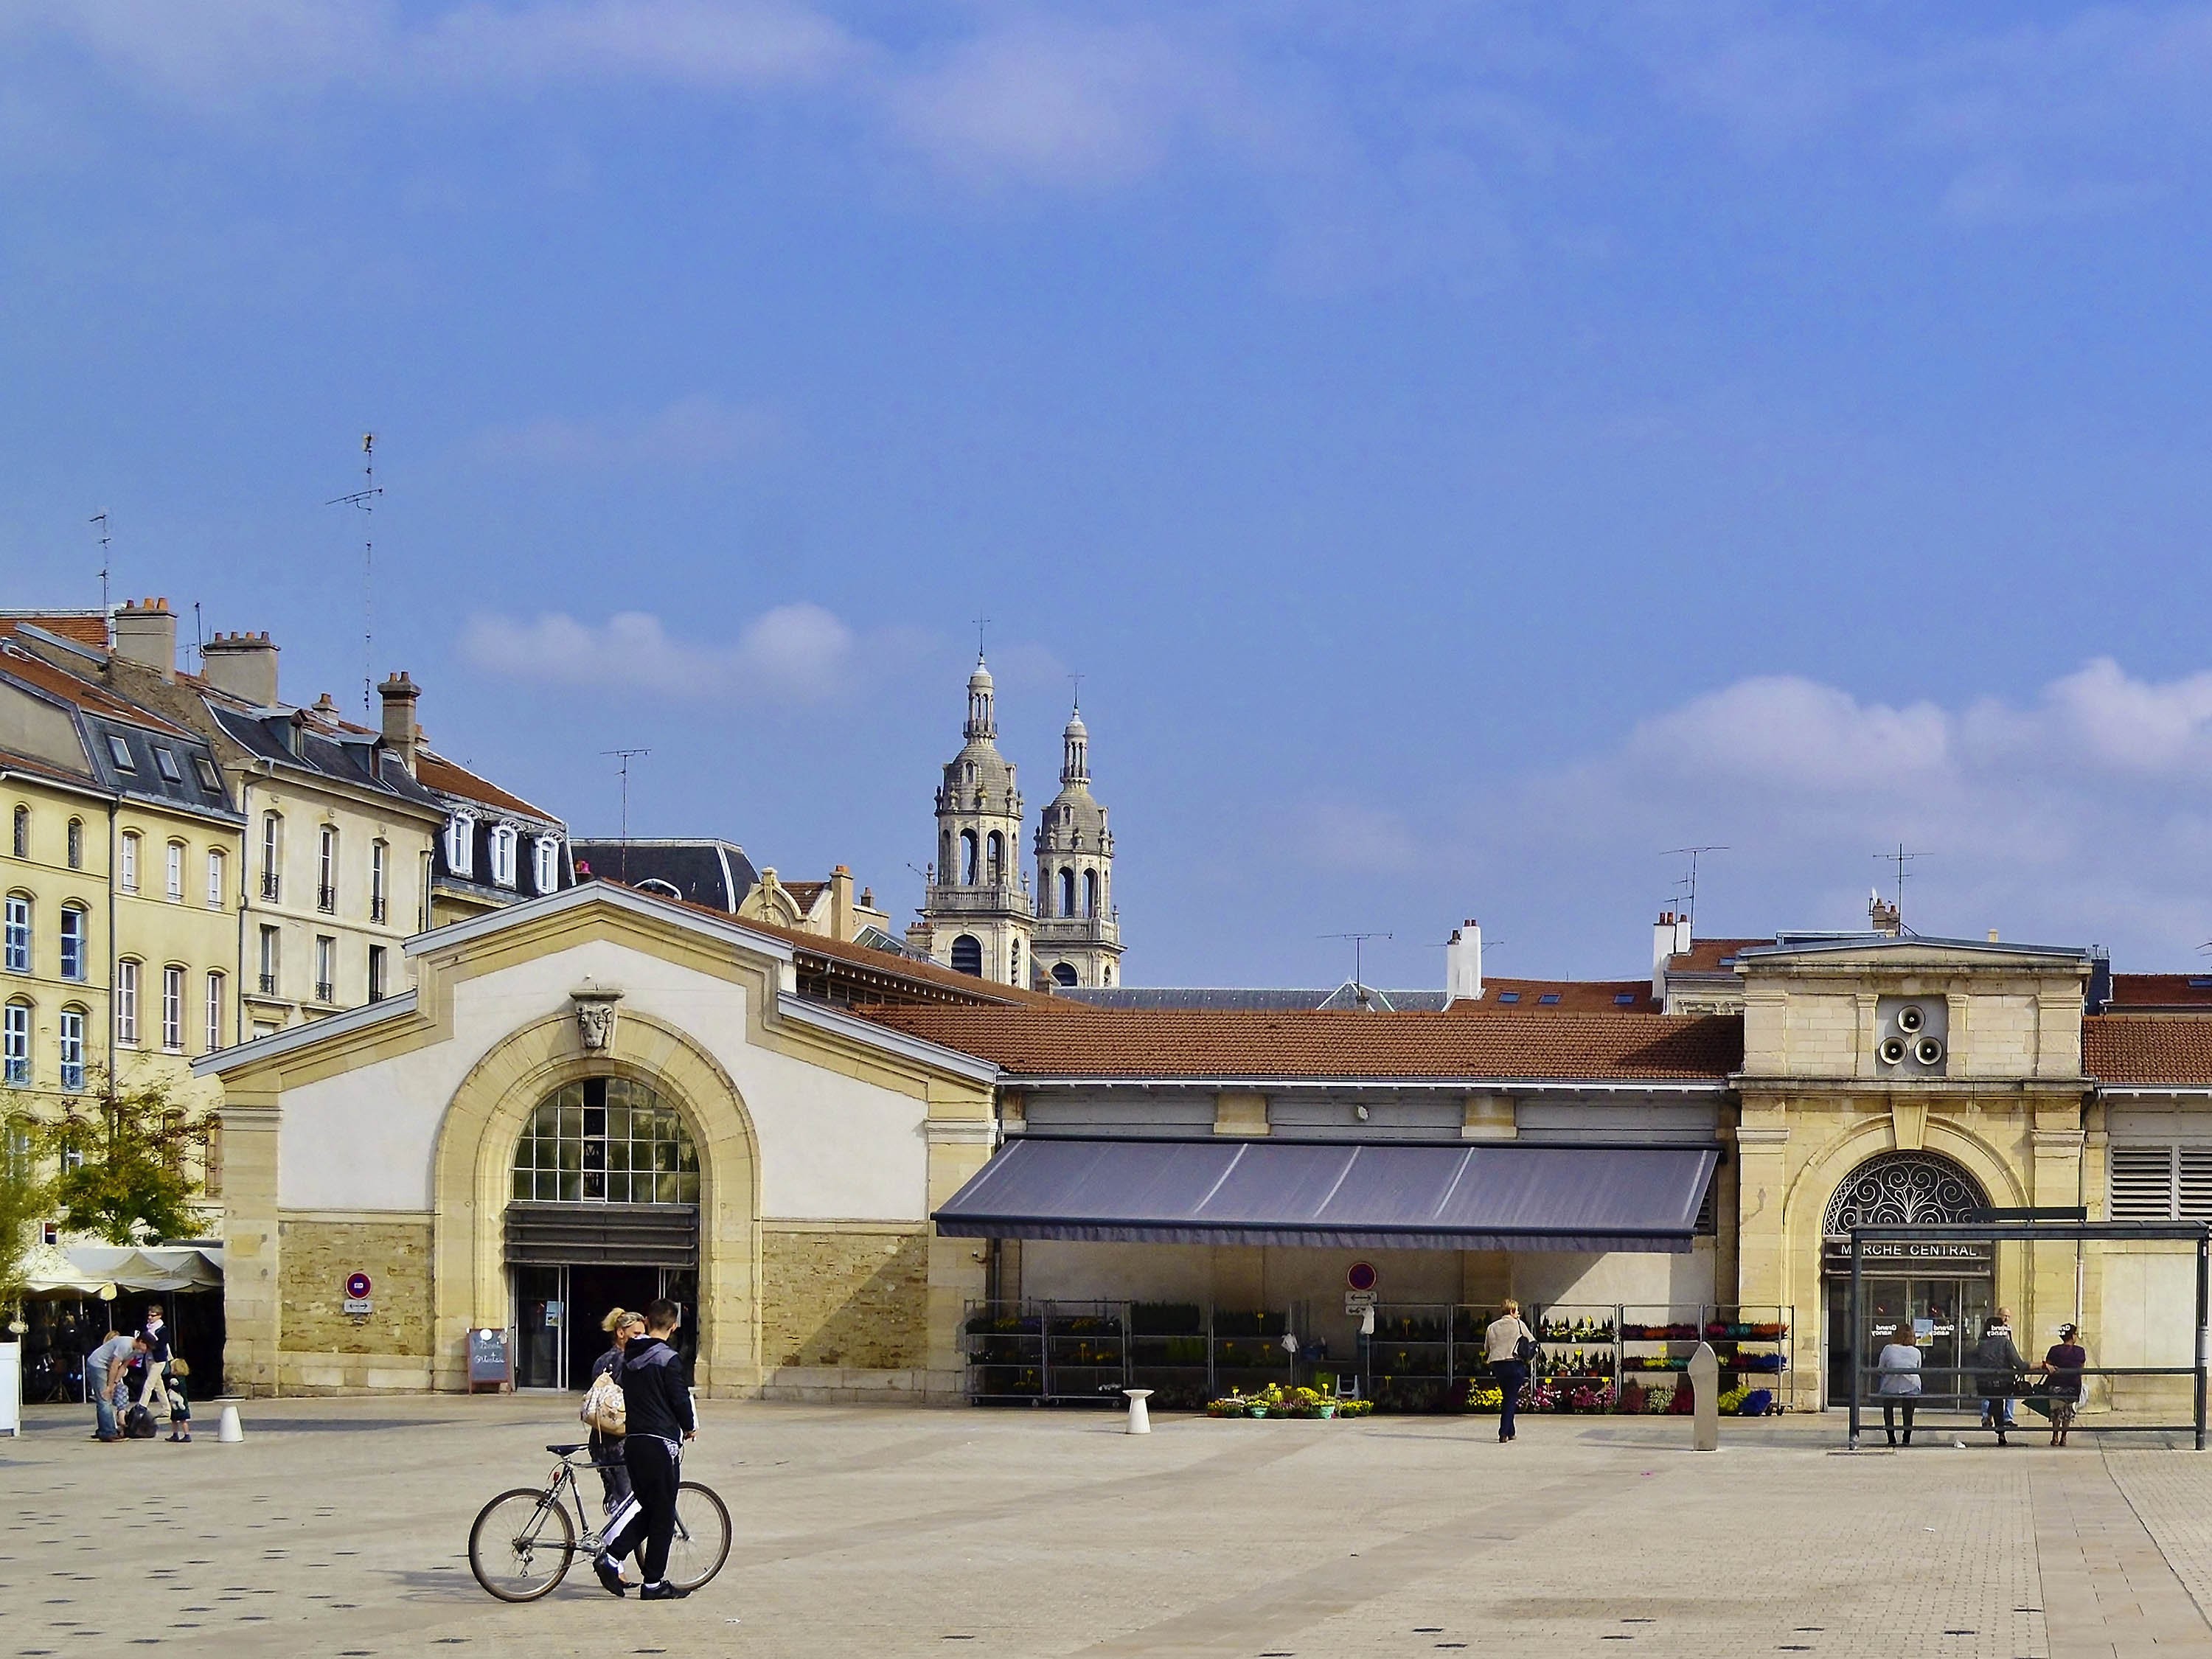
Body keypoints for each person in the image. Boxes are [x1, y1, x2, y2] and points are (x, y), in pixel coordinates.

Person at [593, 1299, 698, 1601]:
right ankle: (653, 1583)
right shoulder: (668, 1359)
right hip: (660, 1443)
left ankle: (611, 1558)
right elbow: (678, 1399)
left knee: (650, 1509)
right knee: (663, 1514)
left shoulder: (631, 1357)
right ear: (674, 1325)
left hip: (635, 1442)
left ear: (649, 1320)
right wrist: (689, 1425)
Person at [587, 1308, 644, 1514]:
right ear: (621, 1333)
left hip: (599, 1441)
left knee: (616, 1498)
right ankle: (614, 1544)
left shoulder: (602, 1360)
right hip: (621, 1444)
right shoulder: (628, 1362)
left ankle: (614, 1540)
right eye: (636, 1334)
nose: (641, 1339)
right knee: (625, 1506)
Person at [1484, 1298, 1536, 1445]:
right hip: (1515, 1364)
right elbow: (1531, 1341)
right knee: (1511, 1397)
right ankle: (1503, 1432)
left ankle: (1511, 1430)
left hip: (1498, 1365)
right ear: (1512, 1311)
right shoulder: (1519, 1324)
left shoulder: (1492, 1327)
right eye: (1517, 1311)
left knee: (1508, 1396)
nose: (1519, 1314)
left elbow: (1487, 1348)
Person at [1969, 1312, 2025, 1445]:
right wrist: (2039, 1365)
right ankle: (2000, 1432)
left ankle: (1994, 1423)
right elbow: (2019, 1364)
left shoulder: (1981, 1344)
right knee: (1998, 1398)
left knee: (1995, 1401)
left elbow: (1973, 1360)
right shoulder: (2005, 1343)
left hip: (1983, 1385)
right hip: (2003, 1384)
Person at [83, 1329, 145, 1442]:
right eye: (148, 1346)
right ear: (141, 1341)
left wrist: (115, 1383)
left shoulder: (135, 1349)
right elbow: (114, 1366)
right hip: (98, 1365)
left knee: (106, 1399)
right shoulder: (125, 1345)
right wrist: (110, 1387)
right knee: (104, 1397)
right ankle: (108, 1432)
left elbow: (123, 1367)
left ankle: (105, 1429)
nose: (147, 1350)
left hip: (105, 1366)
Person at [2039, 1323, 2088, 1448]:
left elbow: (2049, 1365)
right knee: (2068, 1412)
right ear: (2072, 1336)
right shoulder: (2080, 1351)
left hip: (2056, 1385)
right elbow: (2081, 1368)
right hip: (2073, 1386)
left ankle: (2055, 1436)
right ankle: (2064, 1437)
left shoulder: (2054, 1350)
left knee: (2055, 1412)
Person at [1877, 1324, 1922, 1445]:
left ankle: (1891, 1438)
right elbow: (1918, 1369)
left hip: (1891, 1386)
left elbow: (1880, 1369)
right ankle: (1906, 1438)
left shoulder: (1888, 1349)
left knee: (1888, 1408)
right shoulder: (1916, 1352)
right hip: (1911, 1386)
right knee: (1908, 1411)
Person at [135, 1305, 174, 1417]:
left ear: (159, 1316)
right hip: (148, 1358)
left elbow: (162, 1345)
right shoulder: (147, 1328)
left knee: (149, 1384)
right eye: (149, 1315)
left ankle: (142, 1406)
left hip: (159, 1360)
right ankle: (167, 1409)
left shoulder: (163, 1329)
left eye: (153, 1315)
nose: (150, 1317)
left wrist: (151, 1343)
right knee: (158, 1386)